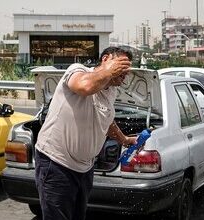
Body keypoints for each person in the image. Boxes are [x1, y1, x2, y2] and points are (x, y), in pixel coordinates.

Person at [34, 46, 137, 220]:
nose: (124, 72)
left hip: (84, 169)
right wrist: (109, 71)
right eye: (121, 65)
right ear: (106, 59)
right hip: (56, 164)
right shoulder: (77, 71)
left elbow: (105, 118)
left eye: (127, 69)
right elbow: (85, 86)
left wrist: (123, 139)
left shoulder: (111, 91)